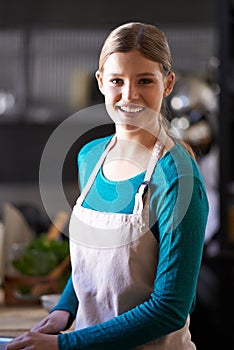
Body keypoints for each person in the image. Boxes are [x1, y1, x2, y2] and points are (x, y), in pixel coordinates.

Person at [7, 21, 209, 350]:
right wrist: (64, 309)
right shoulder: (90, 157)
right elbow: (95, 262)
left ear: (167, 83)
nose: (129, 95)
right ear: (101, 82)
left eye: (145, 80)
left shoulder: (177, 177)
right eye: (117, 80)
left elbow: (170, 309)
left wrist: (65, 346)